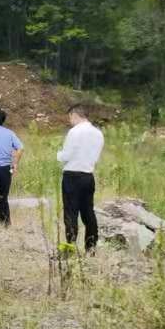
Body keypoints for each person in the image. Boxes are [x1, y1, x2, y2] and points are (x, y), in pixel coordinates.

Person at [57, 102, 104, 252]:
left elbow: (66, 155)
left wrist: (58, 155)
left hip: (72, 176)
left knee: (71, 212)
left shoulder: (74, 132)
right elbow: (96, 157)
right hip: (88, 176)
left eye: (70, 118)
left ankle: (71, 246)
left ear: (74, 115)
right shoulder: (98, 133)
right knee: (88, 212)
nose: (70, 121)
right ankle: (91, 247)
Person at [0, 108, 24, 227]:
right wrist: (15, 163)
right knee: (3, 197)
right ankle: (5, 223)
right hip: (5, 169)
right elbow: (20, 148)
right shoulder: (9, 133)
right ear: (3, 120)